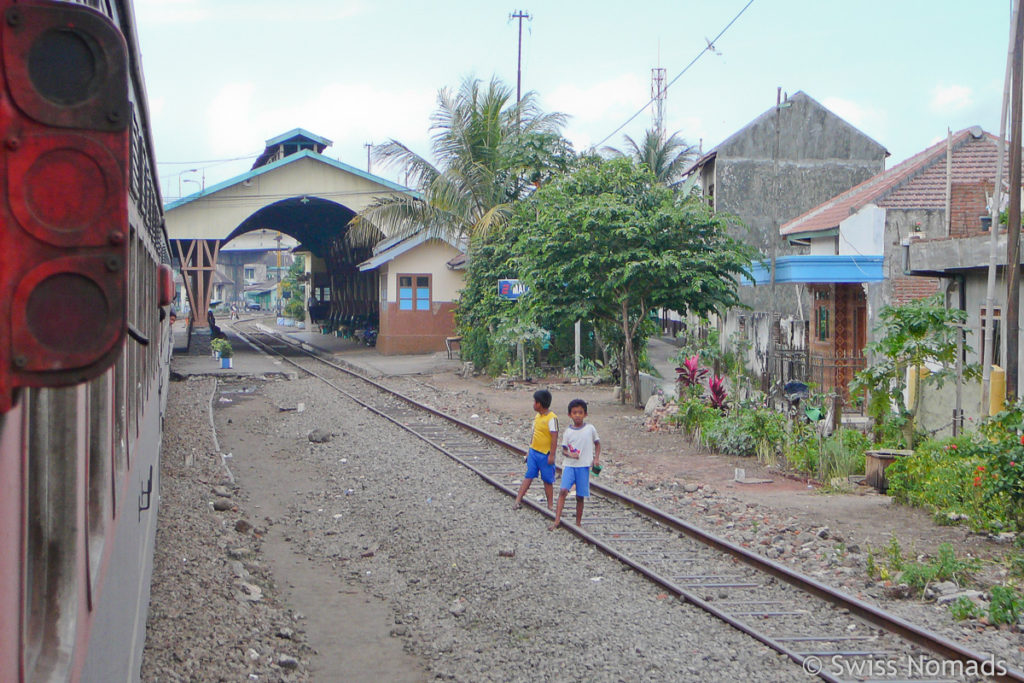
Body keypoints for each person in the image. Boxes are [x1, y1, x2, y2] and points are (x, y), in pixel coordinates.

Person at [549, 398, 600, 530]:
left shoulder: (590, 429)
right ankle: (557, 520)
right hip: (570, 466)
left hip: (583, 467)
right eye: (574, 413)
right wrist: (570, 454)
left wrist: (596, 459)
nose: (577, 415)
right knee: (563, 490)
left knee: (580, 496)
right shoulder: (568, 432)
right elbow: (564, 450)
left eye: (580, 412)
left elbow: (597, 443)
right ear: (570, 415)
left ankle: (578, 523)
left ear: (585, 414)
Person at [512, 389, 558, 511]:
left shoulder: (552, 419)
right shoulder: (537, 417)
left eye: (535, 402)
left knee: (547, 480)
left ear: (540, 403)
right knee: (529, 476)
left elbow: (554, 437)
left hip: (545, 454)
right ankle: (518, 500)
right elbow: (534, 434)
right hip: (534, 452)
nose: (533, 404)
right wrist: (529, 450)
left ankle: (550, 505)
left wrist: (552, 455)